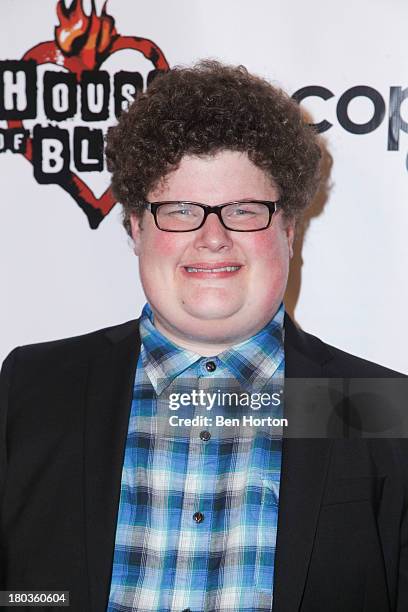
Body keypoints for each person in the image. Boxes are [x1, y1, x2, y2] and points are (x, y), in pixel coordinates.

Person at [0, 60, 407, 612]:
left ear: (288, 231)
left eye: (243, 210)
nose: (213, 237)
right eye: (181, 210)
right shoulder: (33, 389)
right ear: (137, 229)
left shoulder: (378, 408)